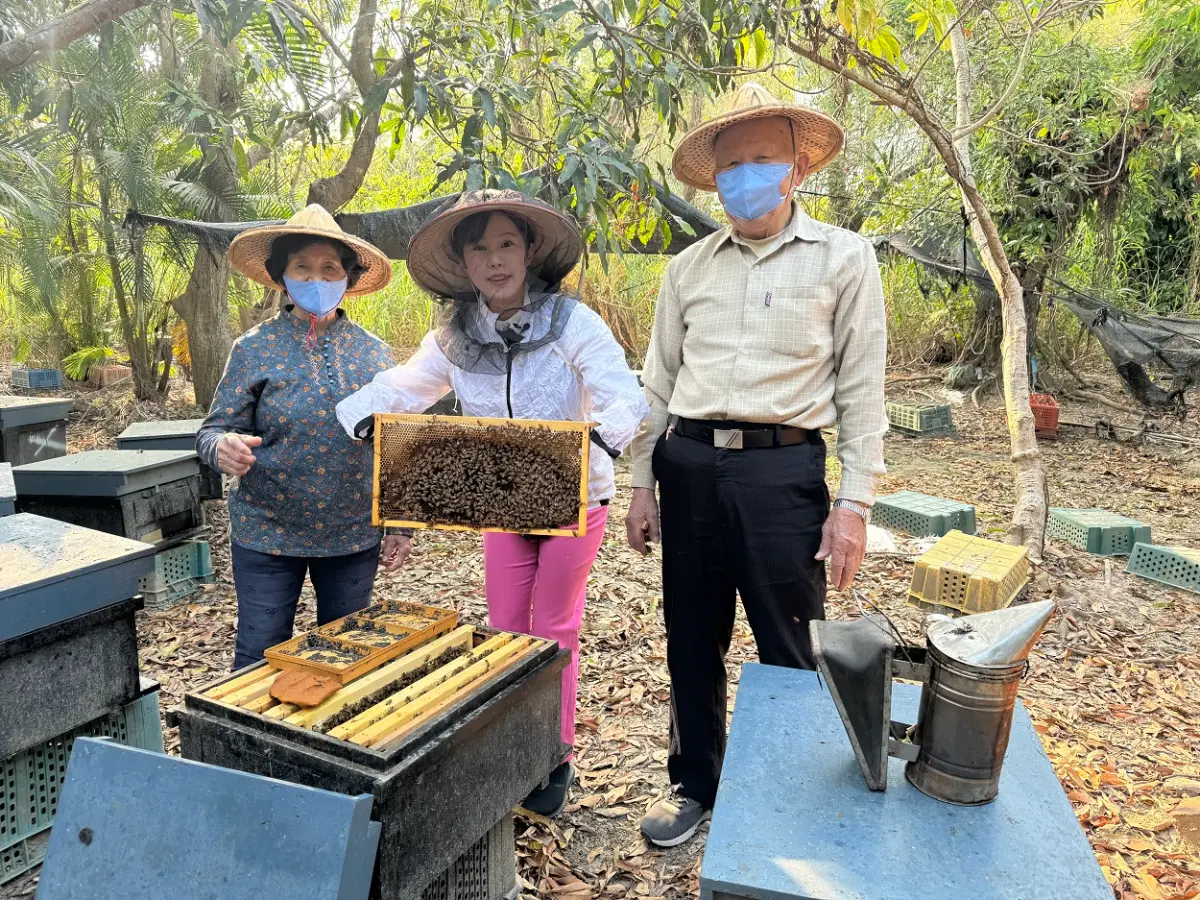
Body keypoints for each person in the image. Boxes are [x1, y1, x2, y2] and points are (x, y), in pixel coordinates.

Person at [626, 83, 888, 847]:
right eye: (731, 164)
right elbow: (658, 382)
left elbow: (863, 388)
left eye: (762, 160)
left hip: (784, 474)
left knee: (792, 641)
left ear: (796, 169)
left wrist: (855, 505)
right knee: (691, 635)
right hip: (690, 465)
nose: (746, 176)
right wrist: (641, 481)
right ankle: (696, 786)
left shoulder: (845, 259)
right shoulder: (689, 269)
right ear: (714, 178)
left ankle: (791, 798)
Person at [336, 189, 648, 817]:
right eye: (479, 249)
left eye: (506, 244)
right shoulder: (456, 334)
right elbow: (406, 383)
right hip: (500, 500)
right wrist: (363, 414)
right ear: (463, 263)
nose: (495, 260)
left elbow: (621, 394)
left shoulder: (573, 322)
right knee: (506, 626)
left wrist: (598, 446)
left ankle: (554, 752)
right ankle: (510, 745)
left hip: (572, 499)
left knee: (554, 626)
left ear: (530, 250)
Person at [197, 204, 410, 670]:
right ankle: (250, 742)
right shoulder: (252, 348)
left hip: (353, 534)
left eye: (329, 268)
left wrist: (400, 525)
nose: (316, 279)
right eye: (302, 267)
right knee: (260, 655)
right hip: (266, 531)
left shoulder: (376, 354)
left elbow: (397, 445)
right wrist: (222, 449)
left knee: (347, 657)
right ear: (282, 276)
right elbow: (212, 431)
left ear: (348, 277)